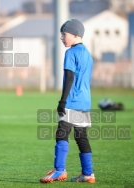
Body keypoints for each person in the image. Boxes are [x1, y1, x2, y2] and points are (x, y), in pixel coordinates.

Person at [40, 19, 95, 183]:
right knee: (81, 137)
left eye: (64, 34)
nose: (62, 38)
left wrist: (62, 101)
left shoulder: (70, 53)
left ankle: (59, 170)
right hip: (85, 101)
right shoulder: (87, 54)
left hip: (72, 100)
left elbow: (70, 77)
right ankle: (88, 174)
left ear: (76, 35)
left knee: (61, 133)